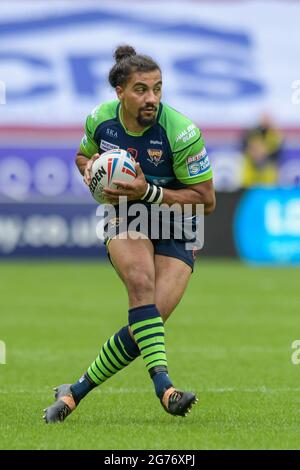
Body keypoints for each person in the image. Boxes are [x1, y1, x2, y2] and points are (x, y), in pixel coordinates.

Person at [43, 45, 216, 423]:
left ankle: (73, 392)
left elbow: (206, 200)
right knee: (140, 284)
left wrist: (149, 191)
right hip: (127, 214)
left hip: (179, 221)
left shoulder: (182, 132)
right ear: (120, 91)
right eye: (141, 89)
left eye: (157, 88)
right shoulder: (100, 121)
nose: (152, 97)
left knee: (148, 323)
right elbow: (82, 156)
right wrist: (90, 171)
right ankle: (165, 387)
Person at [241, 113, 283, 187]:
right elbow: (244, 147)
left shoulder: (275, 134)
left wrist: (263, 153)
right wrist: (255, 153)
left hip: (267, 170)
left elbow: (277, 151)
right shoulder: (252, 132)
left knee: (268, 190)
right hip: (251, 170)